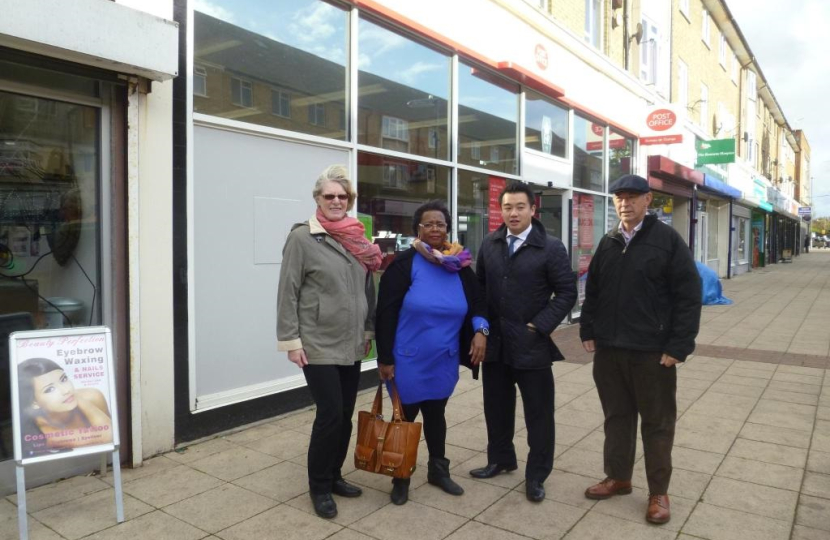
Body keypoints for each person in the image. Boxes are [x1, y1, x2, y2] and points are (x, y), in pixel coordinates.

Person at [580, 174, 701, 525]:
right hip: (610, 351)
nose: (625, 203)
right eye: (619, 197)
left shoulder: (667, 241)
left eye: (632, 196)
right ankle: (618, 477)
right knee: (616, 418)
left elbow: (688, 295)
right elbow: (594, 290)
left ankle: (658, 492)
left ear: (648, 200)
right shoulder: (609, 241)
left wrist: (679, 345)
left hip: (652, 352)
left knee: (657, 424)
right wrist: (588, 328)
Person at [277, 165, 381, 519]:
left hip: (351, 342)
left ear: (349, 200)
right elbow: (288, 292)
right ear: (317, 199)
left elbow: (367, 289)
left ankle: (335, 475)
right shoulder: (302, 238)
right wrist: (291, 341)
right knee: (330, 414)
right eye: (329, 196)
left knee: (345, 415)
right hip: (317, 343)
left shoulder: (357, 239)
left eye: (342, 196)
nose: (336, 201)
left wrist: (367, 332)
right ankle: (319, 486)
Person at [375, 200, 487, 505]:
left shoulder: (460, 266)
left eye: (440, 224)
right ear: (418, 229)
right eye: (428, 224)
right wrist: (385, 358)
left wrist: (481, 331)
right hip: (407, 360)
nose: (435, 229)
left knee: (436, 415)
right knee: (405, 420)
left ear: (447, 228)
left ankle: (438, 471)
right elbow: (385, 314)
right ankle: (400, 476)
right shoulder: (404, 265)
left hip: (444, 359)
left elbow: (478, 303)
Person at [470, 181, 576, 503]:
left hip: (531, 346)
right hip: (496, 345)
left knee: (539, 415)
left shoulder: (551, 247)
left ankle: (536, 475)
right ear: (500, 210)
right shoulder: (490, 243)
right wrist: (481, 329)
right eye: (507, 207)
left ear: (532, 209)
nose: (513, 213)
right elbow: (480, 291)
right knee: (496, 408)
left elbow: (567, 293)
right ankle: (501, 459)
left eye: (519, 207)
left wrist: (538, 326)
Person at [18, 357, 112, 455]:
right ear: (34, 402)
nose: (66, 390)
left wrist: (75, 397)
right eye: (50, 389)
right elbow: (109, 435)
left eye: (63, 379)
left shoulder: (92, 397)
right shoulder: (45, 433)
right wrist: (74, 396)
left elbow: (114, 439)